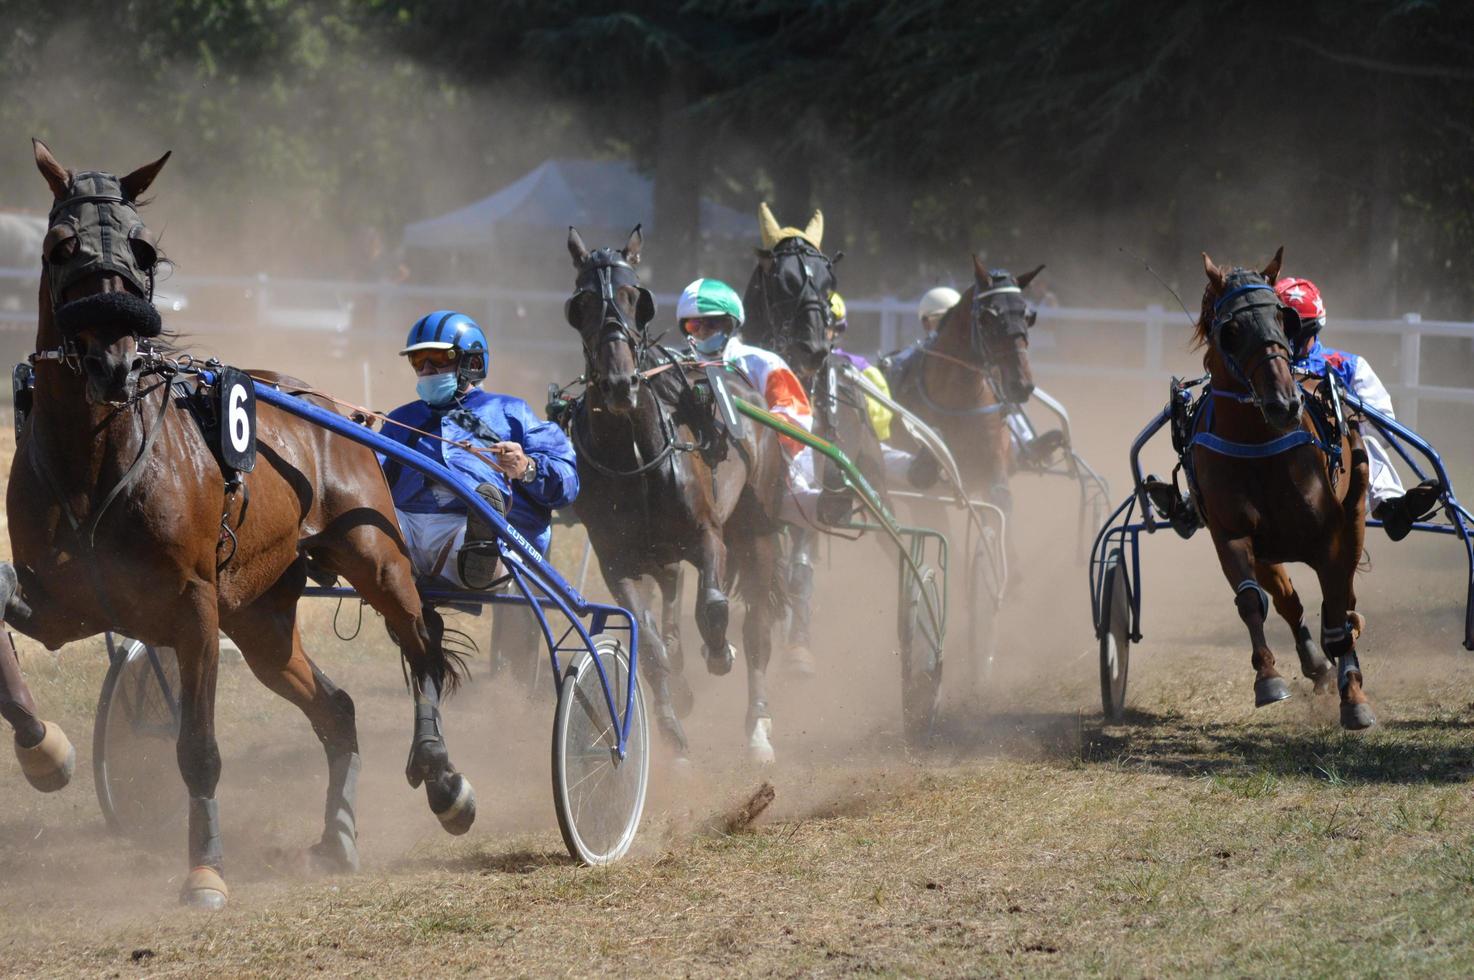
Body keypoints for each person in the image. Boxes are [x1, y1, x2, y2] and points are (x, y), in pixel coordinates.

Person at [379, 310, 579, 587]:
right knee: (368, 521)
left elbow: (567, 483)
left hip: (465, 529)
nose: (425, 369)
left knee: (479, 522)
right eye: (418, 360)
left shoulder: (511, 412)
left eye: (437, 359)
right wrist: (355, 445)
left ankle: (481, 549)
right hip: (405, 531)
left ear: (471, 362)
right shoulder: (399, 420)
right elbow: (370, 475)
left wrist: (528, 469)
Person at [1276, 277, 1440, 540]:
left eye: (1289, 330)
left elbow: (1385, 425)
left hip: (1332, 461)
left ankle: (1391, 507)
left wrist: (1349, 413)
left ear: (1308, 329)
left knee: (1362, 441)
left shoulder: (1347, 365)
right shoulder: (1266, 369)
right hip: (1275, 458)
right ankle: (1197, 500)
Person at [879, 286, 960, 393]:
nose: (951, 325)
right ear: (926, 323)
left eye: (956, 318)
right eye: (943, 319)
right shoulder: (905, 360)